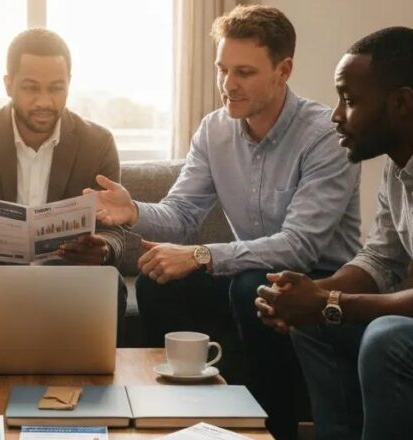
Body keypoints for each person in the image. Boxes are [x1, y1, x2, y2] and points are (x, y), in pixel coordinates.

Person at [86, 5, 361, 439]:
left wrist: (200, 255)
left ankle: (273, 431)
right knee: (158, 280)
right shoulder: (215, 130)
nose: (228, 85)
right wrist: (134, 211)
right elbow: (181, 215)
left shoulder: (325, 135)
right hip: (247, 275)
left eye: (245, 72)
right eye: (222, 69)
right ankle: (177, 418)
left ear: (283, 70)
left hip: (321, 279)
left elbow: (299, 246)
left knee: (253, 287)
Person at [256, 27, 413, 440]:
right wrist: (309, 295)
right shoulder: (399, 164)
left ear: (401, 102)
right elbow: (380, 259)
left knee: (388, 338)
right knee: (314, 323)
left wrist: (331, 302)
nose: (336, 115)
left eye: (350, 99)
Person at [0, 28, 127, 346]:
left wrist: (103, 249)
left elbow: (114, 232)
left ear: (69, 84)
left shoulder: (98, 143)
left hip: (66, 273)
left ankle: (93, 391)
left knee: (110, 281)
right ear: (8, 85)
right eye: (31, 88)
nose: (44, 101)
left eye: (56, 88)